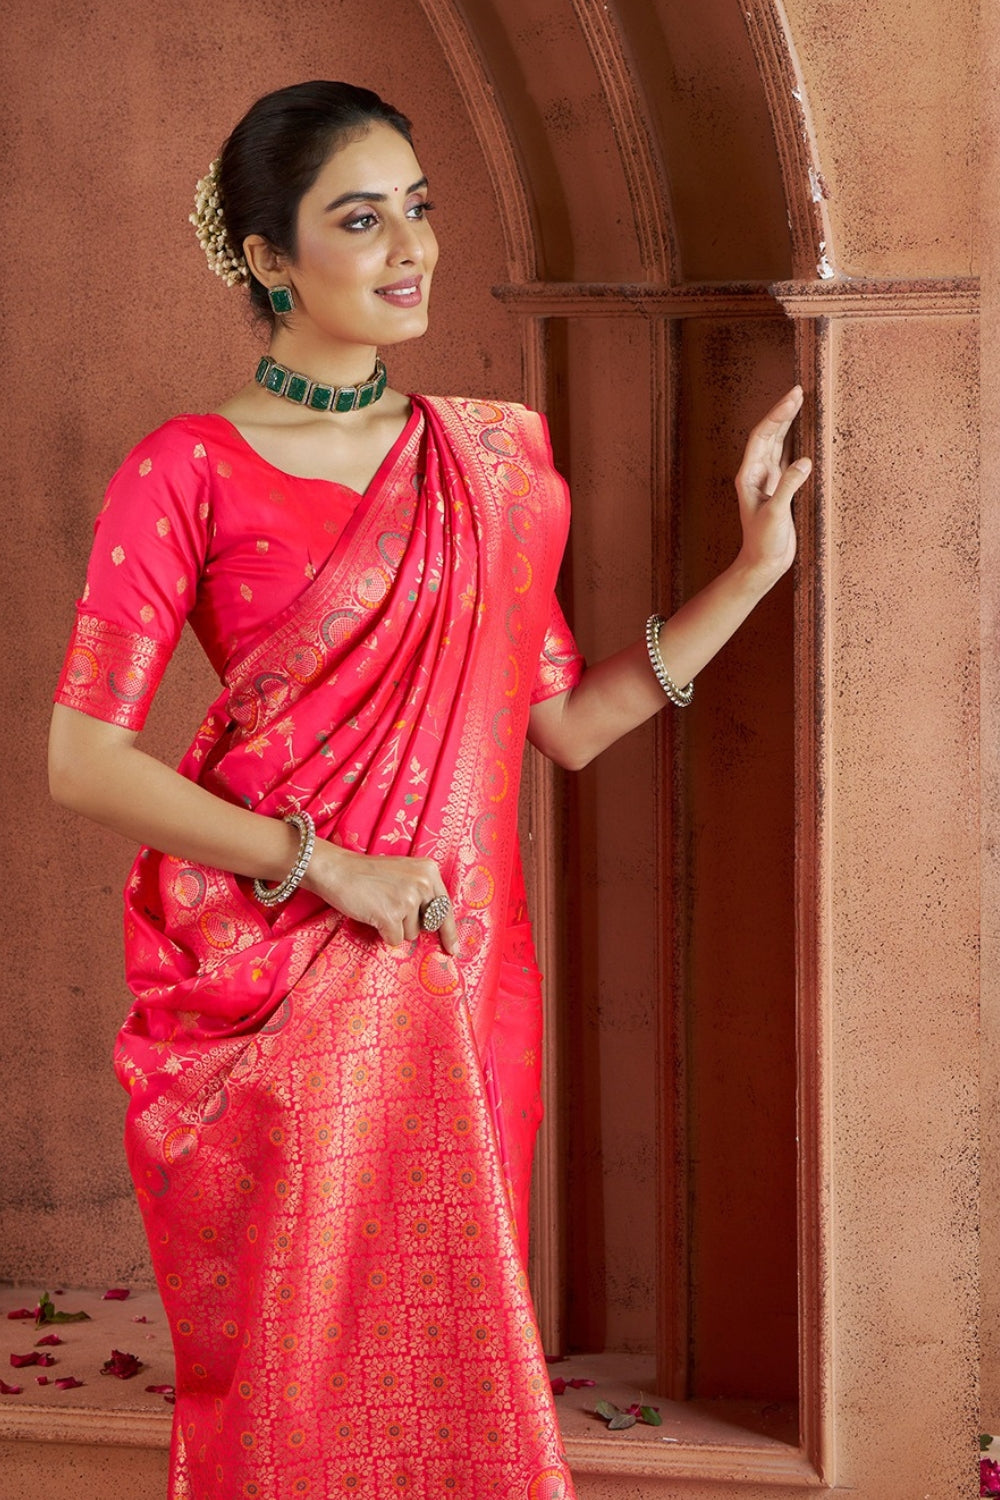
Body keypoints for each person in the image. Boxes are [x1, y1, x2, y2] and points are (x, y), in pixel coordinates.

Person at [48, 80, 810, 1500]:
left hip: (459, 989)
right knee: (291, 1387)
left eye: (419, 208)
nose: (409, 247)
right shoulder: (186, 473)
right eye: (358, 217)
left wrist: (754, 572)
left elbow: (568, 726)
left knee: (440, 1371)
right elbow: (80, 758)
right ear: (269, 259)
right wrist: (323, 864)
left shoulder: (500, 465)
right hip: (273, 1002)